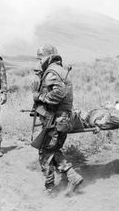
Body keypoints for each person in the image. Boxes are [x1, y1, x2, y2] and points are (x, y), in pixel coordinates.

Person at [32, 44, 83, 195]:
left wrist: (40, 97)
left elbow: (59, 92)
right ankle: (72, 176)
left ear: (47, 57)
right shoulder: (59, 70)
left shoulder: (51, 72)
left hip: (56, 119)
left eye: (40, 58)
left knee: (45, 152)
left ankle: (50, 188)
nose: (39, 61)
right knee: (53, 150)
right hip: (63, 118)